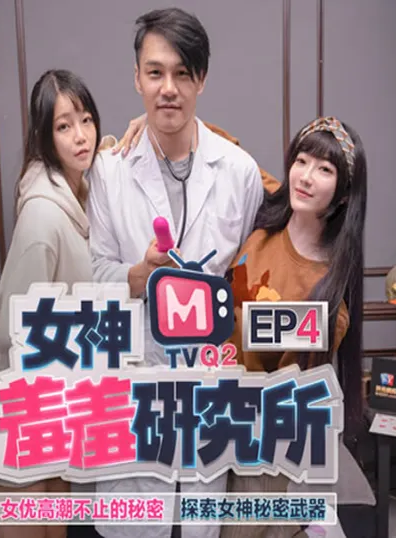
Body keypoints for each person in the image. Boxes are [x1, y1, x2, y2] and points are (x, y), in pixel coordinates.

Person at [86, 7, 265, 538]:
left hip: (209, 376)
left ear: (201, 80)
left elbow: (254, 262)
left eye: (182, 73)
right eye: (155, 72)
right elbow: (93, 271)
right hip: (133, 373)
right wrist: (140, 274)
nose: (168, 88)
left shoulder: (239, 172)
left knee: (200, 523)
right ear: (137, 78)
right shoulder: (109, 171)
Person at [219, 117, 369, 538]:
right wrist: (144, 123)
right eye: (301, 161)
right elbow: (222, 143)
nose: (305, 176)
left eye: (325, 169)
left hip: (262, 443)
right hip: (216, 417)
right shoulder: (273, 204)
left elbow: (283, 392)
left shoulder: (326, 302)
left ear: (344, 193)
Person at [0, 69, 101, 538]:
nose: (81, 136)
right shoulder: (43, 216)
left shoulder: (80, 193)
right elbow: (14, 330)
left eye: (86, 120)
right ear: (45, 137)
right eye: (64, 126)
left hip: (53, 409)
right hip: (19, 411)